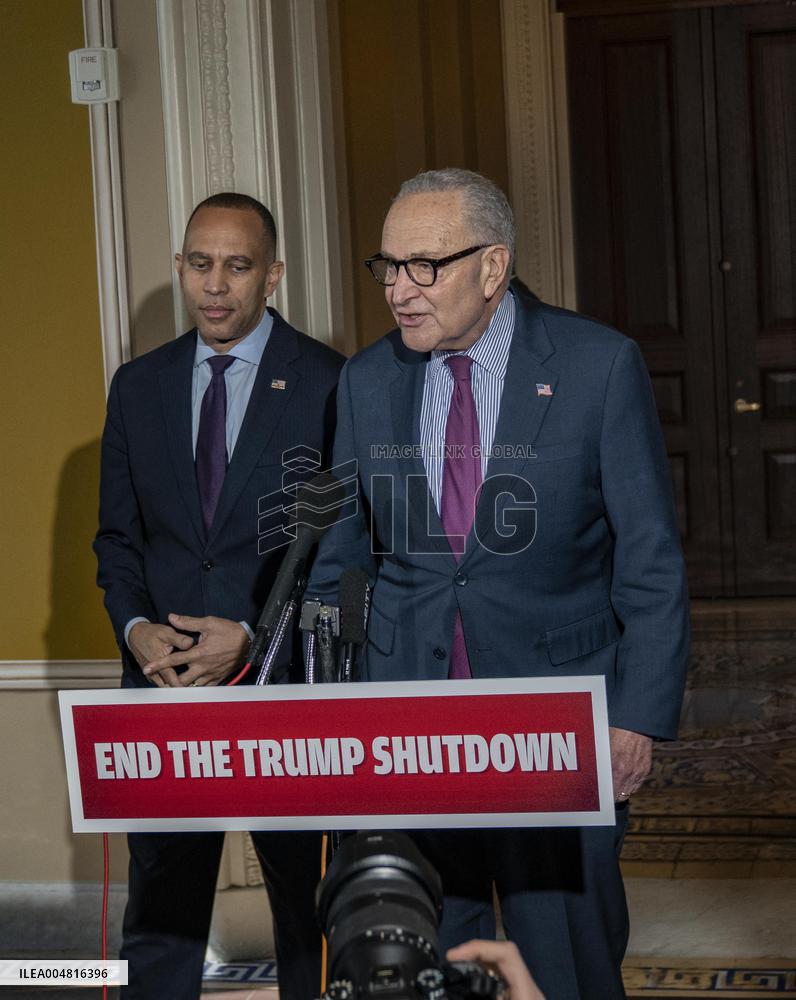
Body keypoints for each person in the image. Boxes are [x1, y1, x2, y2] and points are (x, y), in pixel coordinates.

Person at [306, 168, 689, 998]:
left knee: (569, 963)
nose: (400, 291)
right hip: (412, 724)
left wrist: (637, 718)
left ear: (493, 266)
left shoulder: (598, 365)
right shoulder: (367, 381)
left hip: (557, 724)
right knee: (431, 962)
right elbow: (343, 551)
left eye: (424, 266)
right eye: (388, 267)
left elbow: (650, 558)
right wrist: (344, 704)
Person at [93, 192, 344, 1000]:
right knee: (161, 916)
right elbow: (117, 541)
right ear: (180, 268)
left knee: (310, 910)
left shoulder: (330, 384)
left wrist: (254, 632)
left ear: (271, 275)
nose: (215, 285)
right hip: (164, 695)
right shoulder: (137, 387)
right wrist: (135, 629)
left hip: (285, 690)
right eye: (200, 264)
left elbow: (336, 551)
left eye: (237, 266)